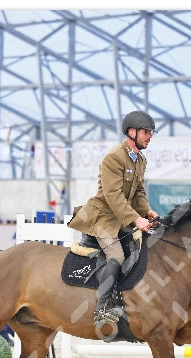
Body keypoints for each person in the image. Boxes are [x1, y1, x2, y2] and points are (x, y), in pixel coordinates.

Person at [67, 110, 160, 328]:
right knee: (116, 256)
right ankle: (102, 308)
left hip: (122, 219)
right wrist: (136, 220)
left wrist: (148, 212)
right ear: (131, 132)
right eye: (146, 132)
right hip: (102, 218)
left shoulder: (140, 160)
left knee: (142, 249)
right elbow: (113, 195)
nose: (150, 136)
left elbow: (137, 192)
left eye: (150, 132)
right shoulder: (114, 157)